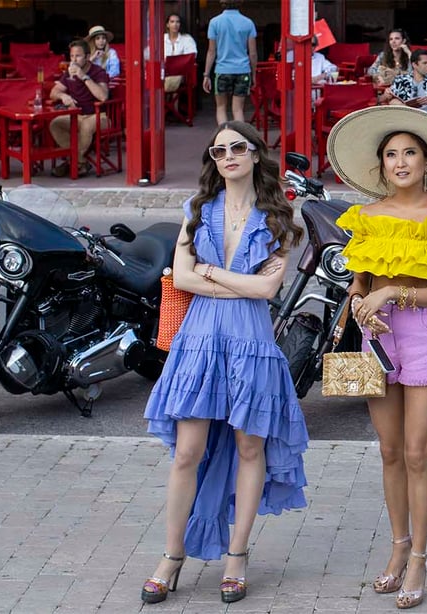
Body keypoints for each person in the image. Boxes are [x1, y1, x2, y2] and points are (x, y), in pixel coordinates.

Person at [140, 121, 307, 606]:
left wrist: (210, 272)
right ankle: (172, 556)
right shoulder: (196, 209)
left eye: (238, 147)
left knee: (250, 448)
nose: (228, 156)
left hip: (251, 342)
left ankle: (237, 556)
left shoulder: (278, 217)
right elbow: (182, 278)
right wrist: (236, 282)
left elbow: (268, 288)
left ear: (255, 155)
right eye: (219, 151)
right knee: (187, 452)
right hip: (199, 341)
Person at [327, 105, 427, 610]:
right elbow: (357, 284)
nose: (400, 162)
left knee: (418, 453)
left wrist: (393, 292)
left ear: (426, 162)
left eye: (409, 153)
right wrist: (361, 303)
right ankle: (397, 546)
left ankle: (419, 556)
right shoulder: (367, 217)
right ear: (381, 164)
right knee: (389, 451)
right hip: (376, 335)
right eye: (391, 154)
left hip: (425, 334)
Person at [48, 39, 110, 178]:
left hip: (99, 116)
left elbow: (103, 96)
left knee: (86, 127)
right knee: (55, 124)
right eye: (72, 56)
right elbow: (54, 92)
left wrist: (83, 76)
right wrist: (63, 96)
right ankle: (79, 162)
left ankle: (71, 163)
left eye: (78, 56)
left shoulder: (98, 71)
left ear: (87, 57)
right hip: (77, 115)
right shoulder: (69, 73)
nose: (74, 60)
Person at [204, 0, 257, 125]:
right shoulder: (248, 23)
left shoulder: (214, 22)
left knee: (221, 107)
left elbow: (211, 51)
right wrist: (254, 74)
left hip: (222, 70)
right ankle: (239, 136)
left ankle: (224, 134)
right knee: (238, 110)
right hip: (242, 70)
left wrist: (206, 74)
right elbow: (253, 53)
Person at [382, 49, 427, 114]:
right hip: (405, 116)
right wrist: (386, 95)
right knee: (394, 102)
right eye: (425, 63)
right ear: (414, 65)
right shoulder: (401, 79)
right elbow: (383, 99)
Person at [164, 13, 198, 94]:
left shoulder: (187, 39)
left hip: (181, 73)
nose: (175, 24)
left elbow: (191, 56)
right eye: (172, 22)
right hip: (163, 71)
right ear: (167, 25)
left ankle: (170, 100)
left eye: (177, 22)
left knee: (174, 78)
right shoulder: (161, 38)